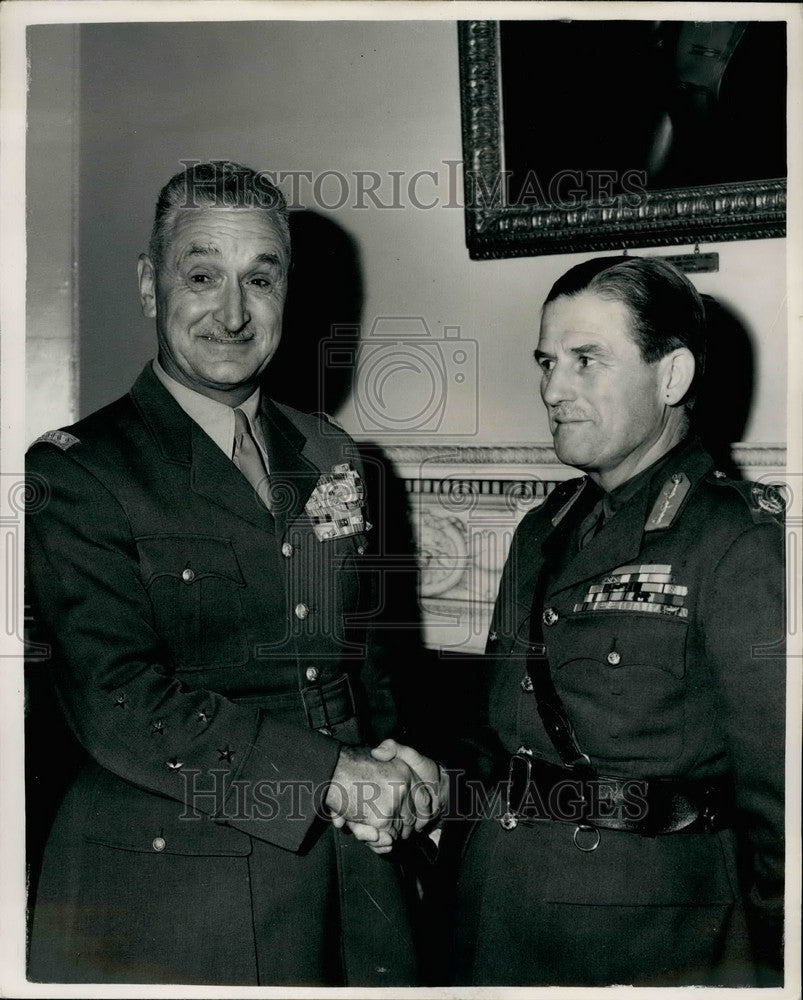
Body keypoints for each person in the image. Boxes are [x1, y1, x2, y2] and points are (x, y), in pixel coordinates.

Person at [25, 161, 440, 986]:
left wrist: (411, 770)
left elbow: (369, 660)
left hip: (351, 873)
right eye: (202, 275)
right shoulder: (79, 473)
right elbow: (119, 702)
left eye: (260, 277)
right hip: (172, 885)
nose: (233, 312)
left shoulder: (333, 457)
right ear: (151, 285)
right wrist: (333, 777)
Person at [449, 256, 785, 986]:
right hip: (501, 914)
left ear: (671, 378)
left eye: (585, 361)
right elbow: (493, 735)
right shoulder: (541, 529)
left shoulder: (733, 540)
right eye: (546, 362)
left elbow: (779, 802)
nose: (551, 390)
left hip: (651, 934)